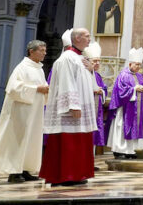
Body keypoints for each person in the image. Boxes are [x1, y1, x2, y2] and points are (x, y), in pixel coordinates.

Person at [0, 40, 49, 182]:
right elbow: (13, 89)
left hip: (34, 111)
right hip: (20, 112)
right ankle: (14, 172)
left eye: (45, 50)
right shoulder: (22, 67)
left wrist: (47, 90)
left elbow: (42, 87)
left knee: (31, 139)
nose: (45, 53)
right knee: (19, 139)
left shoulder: (38, 68)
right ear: (31, 51)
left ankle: (25, 169)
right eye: (41, 50)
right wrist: (37, 89)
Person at [41, 28, 97, 186]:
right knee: (68, 144)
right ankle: (65, 176)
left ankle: (76, 174)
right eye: (87, 36)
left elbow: (86, 82)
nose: (89, 39)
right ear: (77, 38)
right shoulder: (67, 58)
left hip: (81, 108)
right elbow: (67, 82)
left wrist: (91, 71)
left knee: (79, 142)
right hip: (70, 111)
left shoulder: (80, 58)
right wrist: (72, 105)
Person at [108, 48, 143, 159]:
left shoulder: (140, 76)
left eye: (140, 65)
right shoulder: (123, 75)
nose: (138, 67)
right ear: (130, 64)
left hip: (138, 107)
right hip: (125, 108)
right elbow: (120, 92)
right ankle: (120, 150)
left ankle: (131, 150)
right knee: (122, 128)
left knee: (135, 128)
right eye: (137, 64)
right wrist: (134, 89)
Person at [84, 42, 110, 150]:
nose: (97, 63)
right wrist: (93, 91)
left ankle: (91, 162)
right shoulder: (83, 74)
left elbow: (104, 89)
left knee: (94, 135)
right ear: (87, 61)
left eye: (99, 61)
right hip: (86, 110)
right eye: (95, 61)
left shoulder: (97, 75)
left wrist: (101, 92)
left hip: (96, 109)